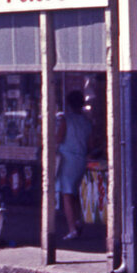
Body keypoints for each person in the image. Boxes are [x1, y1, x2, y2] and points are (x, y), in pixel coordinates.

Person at [55, 90, 91, 241]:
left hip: (67, 159)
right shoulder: (87, 122)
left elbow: (58, 138)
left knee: (67, 194)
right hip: (81, 159)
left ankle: (72, 229)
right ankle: (77, 220)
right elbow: (91, 143)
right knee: (74, 193)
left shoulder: (66, 120)